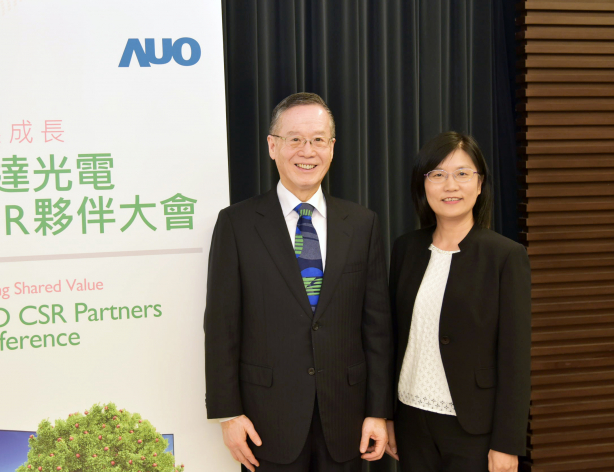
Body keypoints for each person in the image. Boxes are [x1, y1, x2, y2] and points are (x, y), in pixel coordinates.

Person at [204, 92, 393, 471]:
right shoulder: (236, 224)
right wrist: (228, 414)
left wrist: (378, 411)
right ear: (273, 146)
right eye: (295, 139)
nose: (307, 151)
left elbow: (377, 327)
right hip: (266, 420)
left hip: (347, 418)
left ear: (332, 148)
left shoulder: (362, 223)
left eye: (318, 139)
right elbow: (222, 326)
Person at [385, 131, 531, 472]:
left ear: (479, 185)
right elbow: (391, 339)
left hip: (474, 428)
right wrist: (387, 415)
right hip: (411, 421)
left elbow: (515, 358)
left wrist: (507, 443)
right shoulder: (406, 249)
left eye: (462, 174)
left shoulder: (505, 256)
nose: (450, 185)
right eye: (438, 174)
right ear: (423, 185)